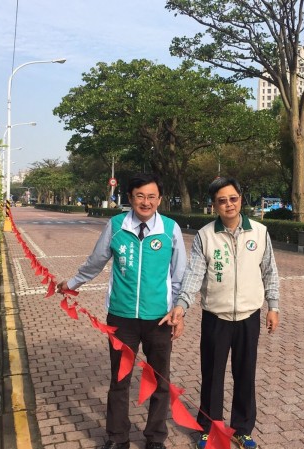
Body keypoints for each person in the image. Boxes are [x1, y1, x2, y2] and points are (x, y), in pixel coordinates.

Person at [57, 173, 187, 449]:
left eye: (152, 196)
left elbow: (180, 274)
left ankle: (155, 438)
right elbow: (96, 261)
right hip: (121, 318)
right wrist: (71, 284)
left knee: (159, 381)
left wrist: (179, 310)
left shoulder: (169, 228)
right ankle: (117, 438)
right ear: (130, 198)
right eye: (140, 196)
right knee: (120, 380)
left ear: (160, 199)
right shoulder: (116, 225)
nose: (146, 201)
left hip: (159, 319)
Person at [160, 177, 280, 449]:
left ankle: (242, 429)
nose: (229, 204)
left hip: (249, 317)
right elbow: (193, 275)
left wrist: (273, 306)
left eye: (233, 198)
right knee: (212, 374)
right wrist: (182, 305)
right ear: (214, 205)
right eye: (222, 200)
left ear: (241, 198)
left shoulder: (259, 232)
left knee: (245, 373)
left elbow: (270, 272)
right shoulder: (205, 235)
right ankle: (210, 428)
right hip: (216, 317)